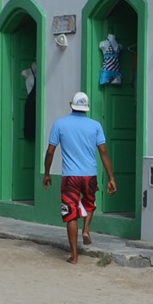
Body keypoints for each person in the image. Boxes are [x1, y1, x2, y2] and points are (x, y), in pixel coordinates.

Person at [42, 90, 117, 264]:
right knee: (90, 203)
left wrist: (47, 173)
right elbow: (104, 152)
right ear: (87, 108)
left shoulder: (59, 124)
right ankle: (87, 229)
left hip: (70, 177)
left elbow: (50, 151)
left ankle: (74, 256)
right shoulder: (96, 125)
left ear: (71, 104)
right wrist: (111, 177)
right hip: (89, 175)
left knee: (71, 215)